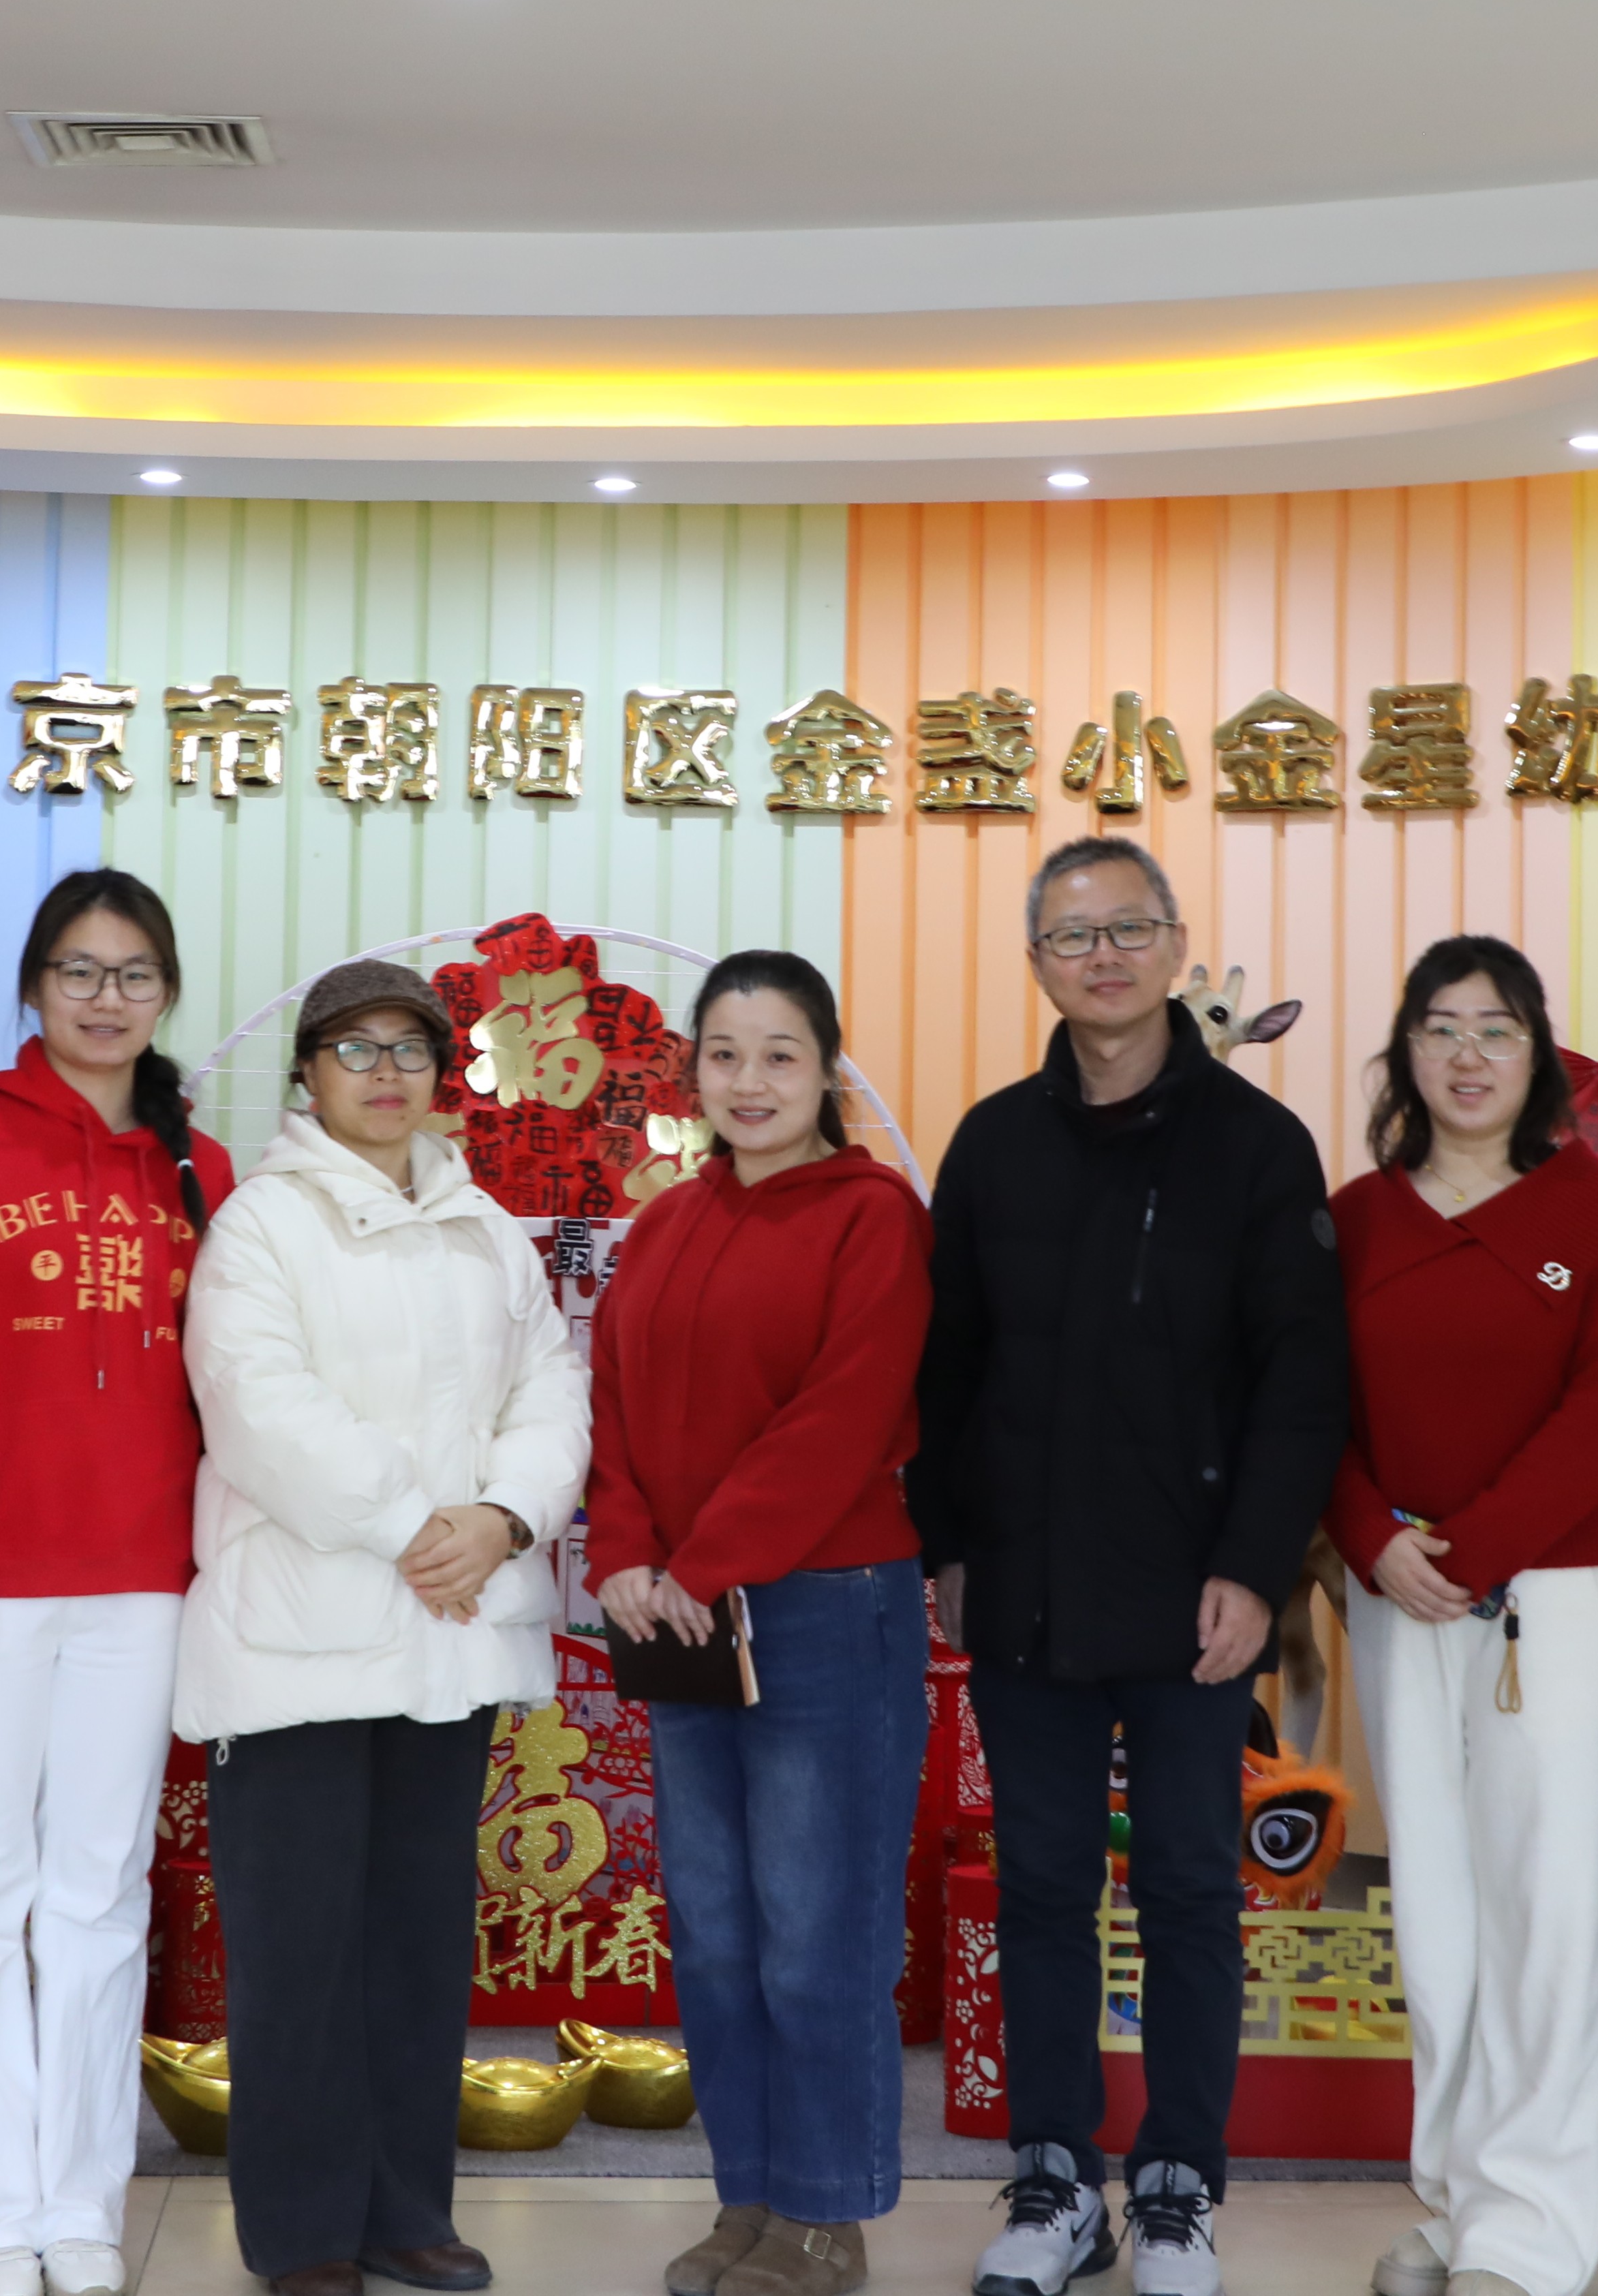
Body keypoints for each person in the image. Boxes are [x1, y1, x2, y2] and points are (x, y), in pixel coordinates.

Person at [914, 837, 1348, 2296]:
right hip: (1024, 1586)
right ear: (1036, 961)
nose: (1101, 956)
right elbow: (945, 1368)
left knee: (1187, 1891)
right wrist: (947, 1542)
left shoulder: (1256, 1145)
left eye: (1128, 928)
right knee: (1041, 1885)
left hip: (1194, 1597)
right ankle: (1053, 2185)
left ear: (1173, 945)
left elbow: (1302, 1381)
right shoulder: (993, 1144)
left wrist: (1256, 1568)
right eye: (1072, 934)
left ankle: (1177, 2190)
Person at [179, 959, 590, 2296]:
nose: (386, 1072)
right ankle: (303, 2231)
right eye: (355, 1048)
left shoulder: (487, 1231)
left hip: (447, 1638)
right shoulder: (262, 1222)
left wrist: (506, 1515)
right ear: (307, 1073)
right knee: (299, 1951)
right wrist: (422, 1524)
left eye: (411, 1048)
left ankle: (407, 2210)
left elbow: (553, 1390)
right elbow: (257, 1401)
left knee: (417, 1941)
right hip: (300, 1642)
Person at [0, 868, 236, 2296]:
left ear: (167, 994)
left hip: (144, 1589)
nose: (105, 997)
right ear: (34, 987)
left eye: (134, 973)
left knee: (99, 1896)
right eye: (79, 969)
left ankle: (79, 2206)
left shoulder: (198, 1169)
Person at [1323, 940, 1598, 2296]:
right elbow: (1309, 1403)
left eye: (1498, 1029)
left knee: (1550, 1902)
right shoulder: (1355, 1219)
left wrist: (1471, 1551)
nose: (1468, 1055)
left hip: (1558, 1597)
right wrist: (1372, 1538)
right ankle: (1458, 2200)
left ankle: (1528, 2236)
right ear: (1404, 1050)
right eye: (1441, 1027)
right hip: (1399, 1595)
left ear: (1540, 1054)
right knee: (1438, 1909)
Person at [590, 952, 934, 2296]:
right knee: (720, 1931)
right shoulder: (668, 1223)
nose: (749, 1081)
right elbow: (613, 1399)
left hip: (824, 1610)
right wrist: (627, 1551)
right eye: (724, 1054)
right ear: (694, 1071)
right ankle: (750, 2194)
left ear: (827, 1071)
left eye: (780, 1054)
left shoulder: (873, 1214)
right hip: (685, 1615)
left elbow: (845, 1416)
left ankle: (827, 2213)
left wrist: (703, 1561)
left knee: (817, 1931)